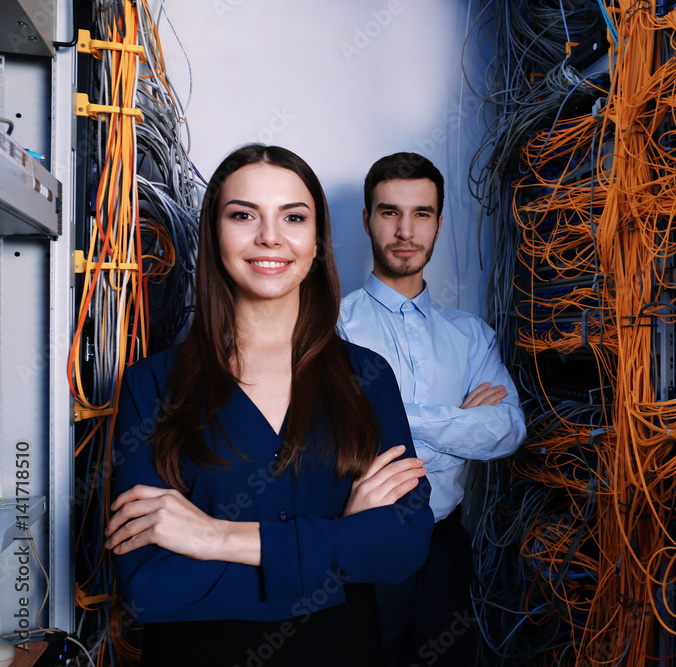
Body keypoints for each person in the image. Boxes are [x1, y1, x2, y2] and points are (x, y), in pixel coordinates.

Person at [106, 144, 434, 666]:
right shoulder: (153, 384)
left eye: (293, 217)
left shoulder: (367, 377)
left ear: (317, 240)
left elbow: (404, 544)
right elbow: (149, 586)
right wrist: (341, 543)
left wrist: (215, 536)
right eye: (243, 215)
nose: (270, 237)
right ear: (215, 233)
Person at [339, 152, 527, 666]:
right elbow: (337, 439)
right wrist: (458, 419)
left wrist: (390, 416)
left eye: (421, 214)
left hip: (445, 550)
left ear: (439, 223)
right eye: (389, 212)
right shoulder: (332, 328)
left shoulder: (470, 335)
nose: (405, 230)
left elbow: (508, 429)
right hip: (364, 546)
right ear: (366, 219)